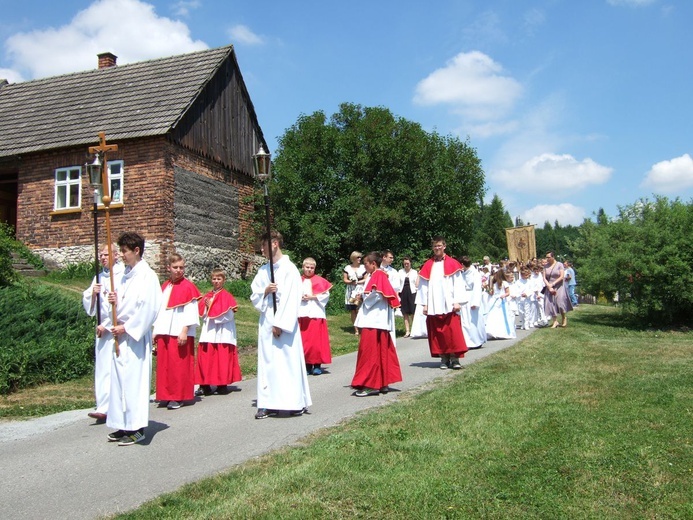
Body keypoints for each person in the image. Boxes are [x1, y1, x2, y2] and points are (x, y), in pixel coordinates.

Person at [106, 232, 162, 446]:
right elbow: (123, 301)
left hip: (134, 337)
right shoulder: (124, 274)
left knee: (134, 382)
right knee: (120, 381)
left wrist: (127, 327)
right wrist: (114, 299)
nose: (120, 255)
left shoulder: (147, 276)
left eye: (124, 251)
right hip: (120, 334)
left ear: (136, 250)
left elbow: (148, 309)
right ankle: (123, 423)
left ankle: (137, 427)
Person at [250, 231, 312, 419]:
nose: (261, 249)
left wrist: (280, 324)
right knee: (268, 362)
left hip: (284, 324)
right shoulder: (263, 271)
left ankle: (293, 402)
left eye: (264, 245)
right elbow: (254, 295)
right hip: (267, 320)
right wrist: (265, 291)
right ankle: (267, 403)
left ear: (274, 244)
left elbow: (292, 299)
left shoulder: (289, 269)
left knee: (287, 362)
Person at [152, 253, 201, 410]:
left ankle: (178, 396)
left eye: (181, 267)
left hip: (179, 332)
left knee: (178, 365)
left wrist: (184, 331)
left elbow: (191, 311)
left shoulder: (188, 287)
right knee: (165, 365)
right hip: (164, 331)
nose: (179, 270)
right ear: (168, 268)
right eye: (175, 267)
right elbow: (160, 311)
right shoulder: (165, 286)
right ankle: (165, 394)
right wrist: (155, 331)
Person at [82, 243, 124, 422]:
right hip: (102, 332)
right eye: (101, 255)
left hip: (117, 331)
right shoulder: (99, 277)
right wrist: (93, 293)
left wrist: (107, 325)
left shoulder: (122, 275)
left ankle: (115, 405)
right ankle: (103, 405)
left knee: (115, 368)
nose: (103, 258)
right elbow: (92, 305)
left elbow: (122, 304)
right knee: (102, 369)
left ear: (116, 255)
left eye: (106, 255)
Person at [351, 251, 403, 396]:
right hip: (377, 321)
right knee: (380, 353)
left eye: (366, 263)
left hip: (374, 320)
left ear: (373, 264)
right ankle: (382, 383)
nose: (364, 266)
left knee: (370, 353)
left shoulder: (378, 275)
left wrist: (362, 297)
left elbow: (377, 295)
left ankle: (370, 384)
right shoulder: (376, 275)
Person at [416, 237, 468, 370]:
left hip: (449, 303)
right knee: (438, 333)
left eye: (439, 245)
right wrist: (425, 304)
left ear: (444, 246)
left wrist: (457, 301)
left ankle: (455, 358)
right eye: (435, 246)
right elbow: (423, 286)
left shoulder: (453, 263)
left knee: (452, 332)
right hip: (434, 304)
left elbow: (458, 284)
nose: (437, 248)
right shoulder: (428, 264)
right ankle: (444, 358)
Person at [195, 268, 241, 397]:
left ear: (223, 280)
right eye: (214, 279)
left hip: (223, 331)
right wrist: (207, 307)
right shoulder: (207, 296)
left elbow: (228, 315)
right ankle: (205, 385)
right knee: (206, 357)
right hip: (209, 330)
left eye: (219, 279)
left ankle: (222, 384)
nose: (216, 281)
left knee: (222, 357)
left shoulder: (227, 296)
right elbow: (203, 314)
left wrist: (212, 307)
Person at [298, 257, 332, 376]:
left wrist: (312, 297)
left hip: (316, 313)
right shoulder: (297, 280)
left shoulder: (320, 280)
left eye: (311, 268)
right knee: (305, 342)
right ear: (303, 267)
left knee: (316, 342)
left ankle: (317, 365)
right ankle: (307, 365)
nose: (309, 270)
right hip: (302, 313)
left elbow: (325, 296)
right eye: (307, 267)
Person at [459, 255, 486, 349]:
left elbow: (477, 288)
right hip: (464, 298)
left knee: (474, 321)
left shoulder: (475, 273)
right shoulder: (463, 273)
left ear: (462, 264)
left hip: (472, 298)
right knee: (465, 321)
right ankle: (468, 341)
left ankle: (477, 340)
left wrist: (475, 302)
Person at [543, 251, 573, 328]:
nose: (547, 259)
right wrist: (549, 286)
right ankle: (555, 321)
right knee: (551, 303)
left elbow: (561, 276)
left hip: (559, 286)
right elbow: (544, 278)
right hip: (550, 287)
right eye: (546, 257)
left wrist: (553, 284)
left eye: (549, 257)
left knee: (560, 303)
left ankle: (564, 317)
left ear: (553, 257)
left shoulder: (559, 265)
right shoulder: (545, 266)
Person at [484, 269, 517, 340]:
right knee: (492, 316)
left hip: (501, 302)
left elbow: (508, 292)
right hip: (493, 301)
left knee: (502, 317)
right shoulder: (493, 283)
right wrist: (486, 288)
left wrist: (503, 295)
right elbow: (491, 293)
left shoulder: (504, 283)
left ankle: (502, 333)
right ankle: (492, 332)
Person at [343, 251, 366, 336]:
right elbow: (345, 279)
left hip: (360, 289)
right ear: (353, 258)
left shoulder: (363, 267)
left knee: (360, 308)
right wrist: (351, 281)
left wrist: (358, 282)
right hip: (351, 290)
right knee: (353, 310)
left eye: (360, 257)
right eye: (358, 257)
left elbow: (366, 278)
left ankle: (362, 327)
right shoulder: (347, 268)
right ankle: (356, 328)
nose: (360, 259)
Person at [397, 256, 418, 337]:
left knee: (413, 312)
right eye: (405, 263)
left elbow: (416, 284)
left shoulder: (414, 272)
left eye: (407, 263)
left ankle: (414, 330)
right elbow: (398, 283)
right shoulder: (400, 272)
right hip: (403, 293)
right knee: (405, 313)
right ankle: (407, 331)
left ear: (410, 263)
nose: (406, 265)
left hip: (412, 293)